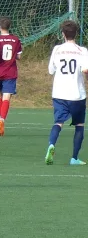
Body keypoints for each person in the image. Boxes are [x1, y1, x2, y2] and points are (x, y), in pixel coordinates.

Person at [45, 20, 88, 165]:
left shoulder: (57, 49)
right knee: (79, 125)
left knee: (58, 122)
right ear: (76, 34)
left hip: (59, 93)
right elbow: (85, 70)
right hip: (77, 94)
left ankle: (51, 144)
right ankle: (74, 158)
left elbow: (51, 70)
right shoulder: (82, 51)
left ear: (63, 34)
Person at [0, 17, 22, 136]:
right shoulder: (16, 39)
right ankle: (2, 120)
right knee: (6, 97)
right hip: (10, 72)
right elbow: (19, 57)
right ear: (9, 26)